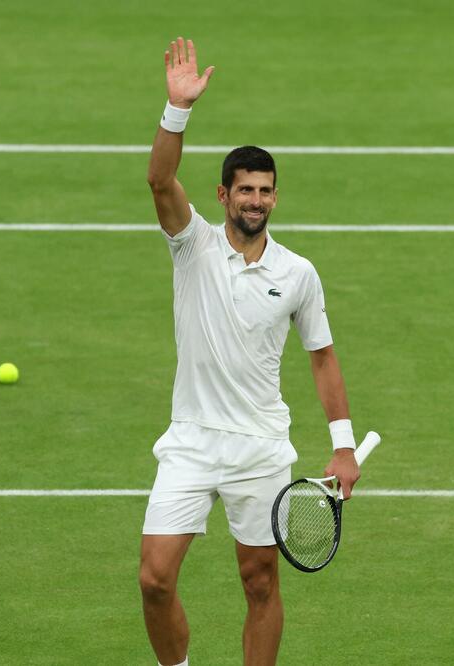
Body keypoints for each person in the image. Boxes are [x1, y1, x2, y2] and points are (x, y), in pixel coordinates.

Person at [139, 36, 361, 666]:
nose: (256, 200)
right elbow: (159, 179)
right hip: (191, 439)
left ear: (275, 198)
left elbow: (322, 355)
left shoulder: (298, 274)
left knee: (260, 582)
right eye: (245, 190)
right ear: (223, 196)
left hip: (261, 446)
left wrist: (343, 444)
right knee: (155, 579)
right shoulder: (193, 246)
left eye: (265, 191)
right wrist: (177, 110)